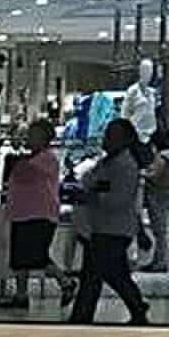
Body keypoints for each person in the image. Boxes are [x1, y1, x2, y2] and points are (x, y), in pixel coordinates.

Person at [67, 118, 150, 325]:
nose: (106, 139)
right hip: (100, 227)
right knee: (99, 274)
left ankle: (135, 307)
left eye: (111, 136)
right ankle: (84, 315)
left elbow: (117, 199)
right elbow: (89, 181)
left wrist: (93, 194)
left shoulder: (126, 165)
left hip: (114, 229)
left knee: (106, 274)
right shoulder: (107, 162)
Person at [0, 119, 77, 309]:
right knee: (19, 258)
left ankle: (65, 281)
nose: (28, 138)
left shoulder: (47, 159)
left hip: (39, 214)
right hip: (21, 214)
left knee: (37, 256)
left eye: (33, 134)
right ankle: (21, 294)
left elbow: (23, 172)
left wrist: (17, 157)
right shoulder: (32, 158)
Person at [142, 128, 169, 273]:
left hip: (159, 197)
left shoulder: (163, 156)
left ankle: (160, 262)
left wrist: (142, 173)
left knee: (160, 231)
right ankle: (161, 260)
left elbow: (155, 175)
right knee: (165, 231)